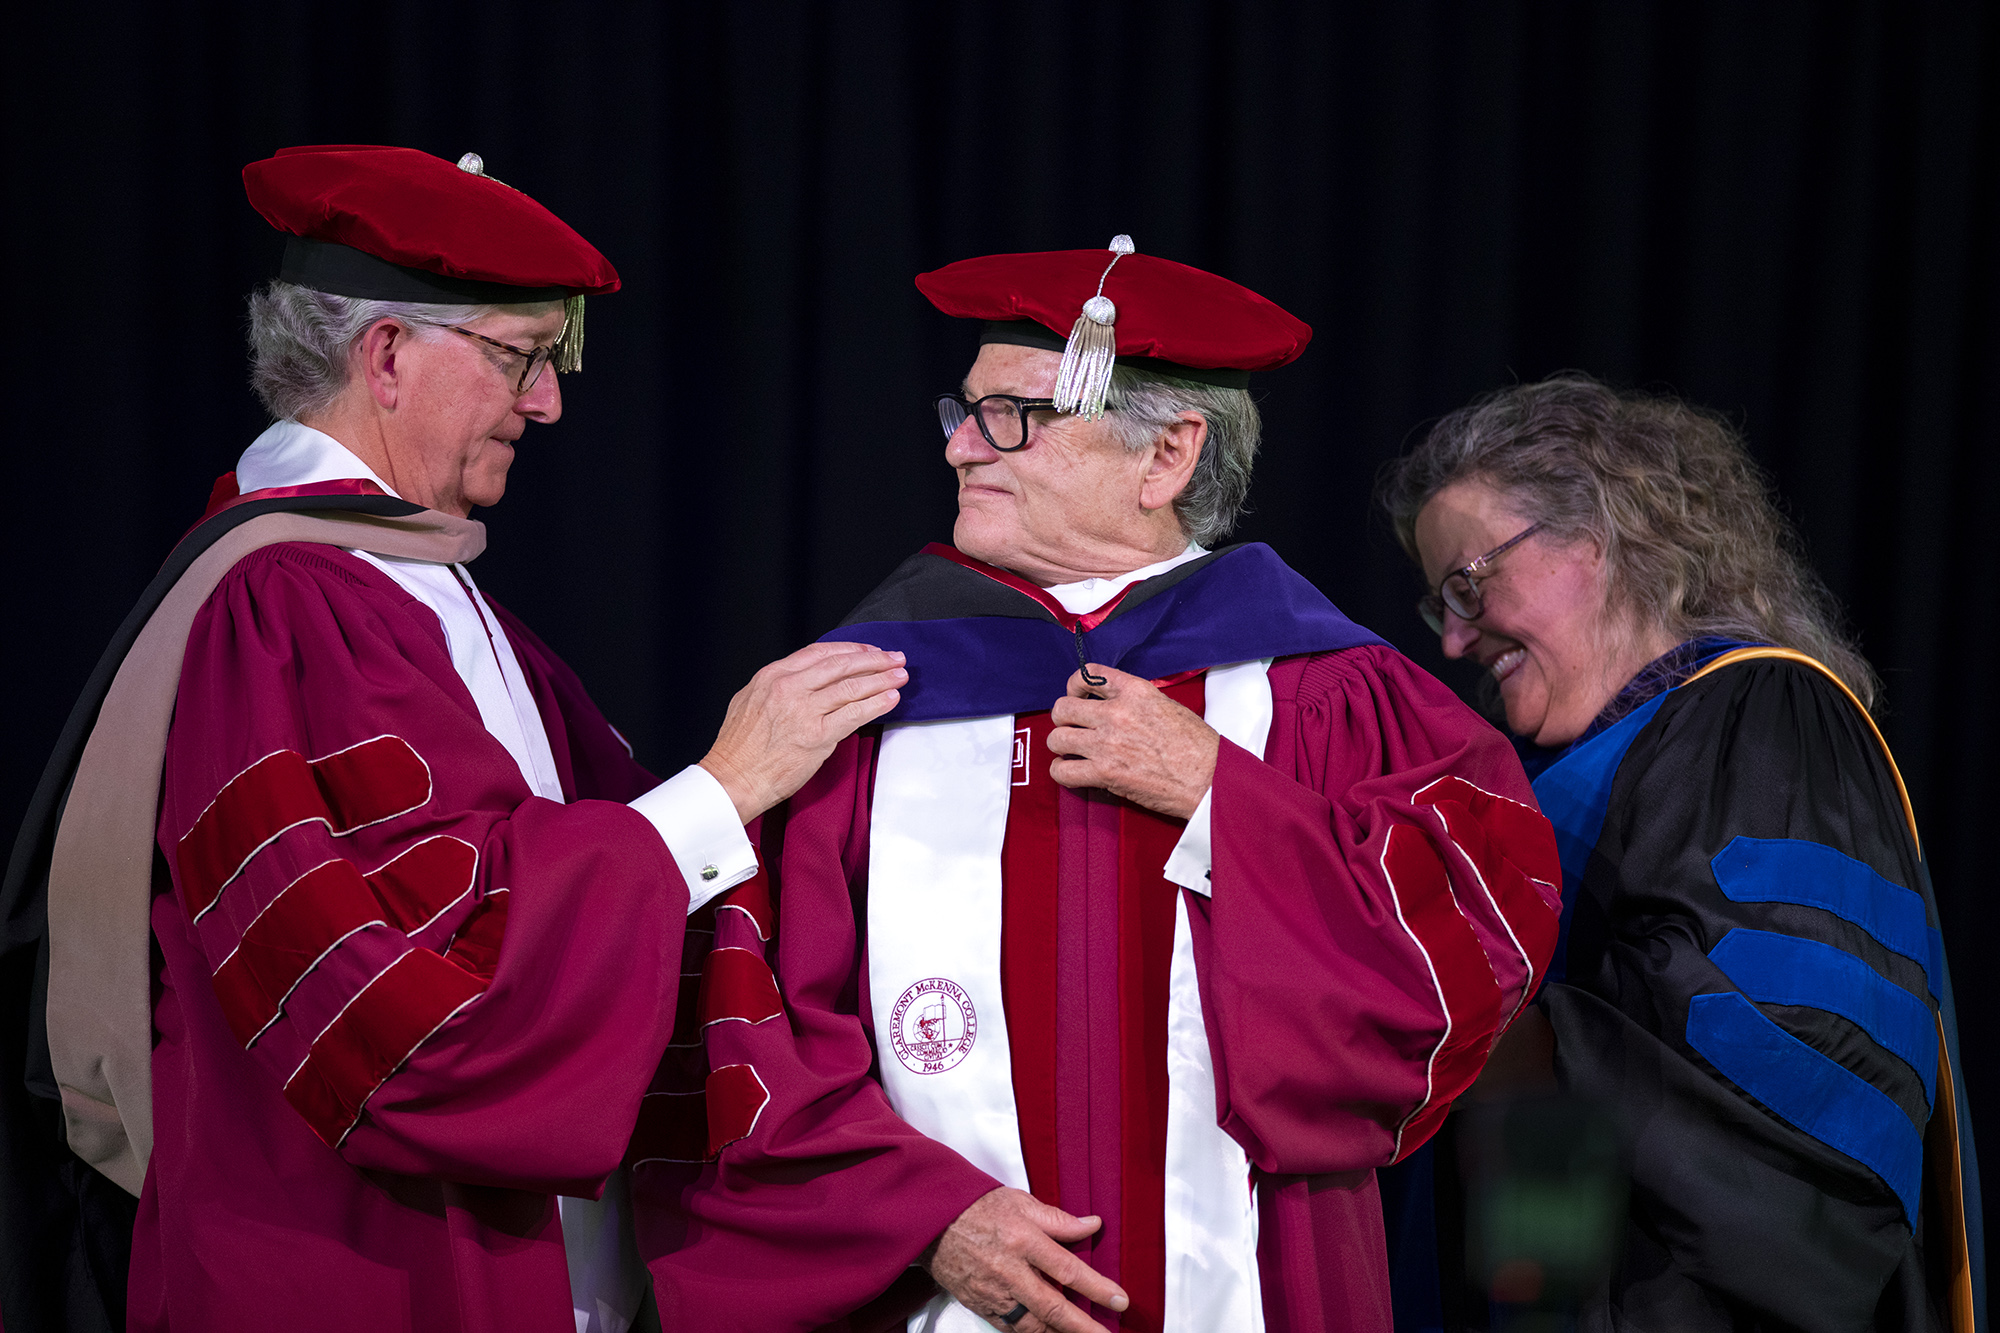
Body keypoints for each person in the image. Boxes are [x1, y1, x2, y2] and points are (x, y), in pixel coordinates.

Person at [0, 145, 907, 1333]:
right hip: (356, 1274)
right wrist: (726, 786)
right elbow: (419, 992)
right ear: (387, 356)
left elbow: (598, 886)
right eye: (522, 356)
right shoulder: (288, 606)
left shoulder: (423, 590)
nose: (549, 402)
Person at [637, 239, 1564, 1333]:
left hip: (1253, 1285)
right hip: (935, 1294)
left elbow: (1462, 958)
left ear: (1166, 456)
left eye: (1013, 416)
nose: (963, 451)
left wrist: (1229, 799)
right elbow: (758, 1027)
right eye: (963, 412)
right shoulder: (856, 699)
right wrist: (924, 1215)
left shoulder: (1325, 694)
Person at [1377, 374, 1984, 1332]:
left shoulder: (1768, 715)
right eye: (1439, 606)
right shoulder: (1563, 775)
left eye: (1469, 584)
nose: (1454, 638)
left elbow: (1795, 1097)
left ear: (1598, 537)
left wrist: (1477, 1024)